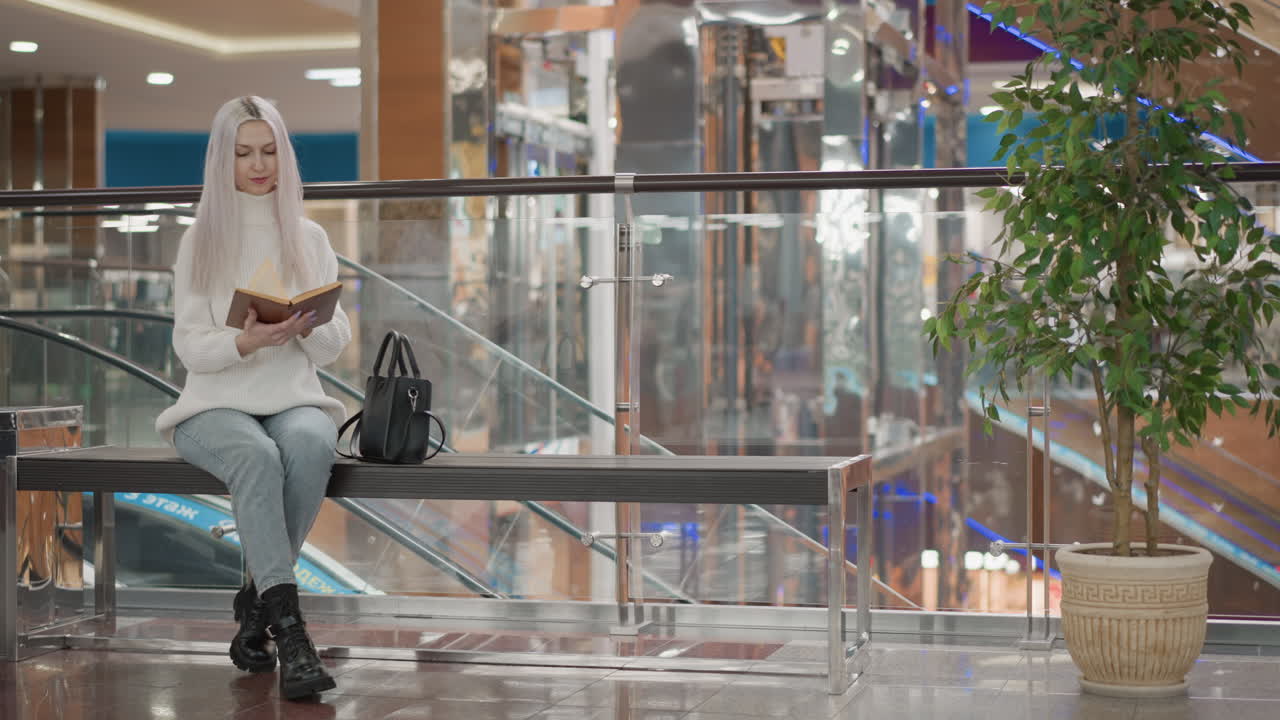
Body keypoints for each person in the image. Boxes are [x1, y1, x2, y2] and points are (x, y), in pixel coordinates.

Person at [155, 96, 352, 700]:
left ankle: (256, 601)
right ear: (224, 160)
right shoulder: (202, 238)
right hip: (211, 404)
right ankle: (291, 634)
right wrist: (244, 342)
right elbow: (190, 348)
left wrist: (312, 326)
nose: (259, 164)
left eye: (269, 151)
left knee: (314, 443)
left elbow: (336, 345)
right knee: (258, 458)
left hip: (292, 396)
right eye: (244, 153)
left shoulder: (309, 235)